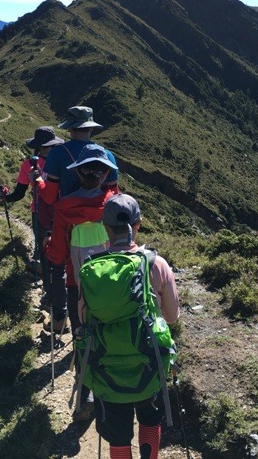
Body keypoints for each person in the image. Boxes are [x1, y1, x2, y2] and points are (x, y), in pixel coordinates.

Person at [80, 194, 180, 459]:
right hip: (149, 367)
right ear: (138, 224)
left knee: (118, 435)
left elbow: (82, 319)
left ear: (105, 227)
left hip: (106, 370)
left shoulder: (92, 270)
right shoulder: (156, 264)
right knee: (150, 420)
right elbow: (172, 317)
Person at [43, 143, 117, 421]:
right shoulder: (114, 203)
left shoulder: (64, 208)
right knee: (108, 336)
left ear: (78, 174)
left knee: (83, 337)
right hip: (113, 285)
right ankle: (110, 391)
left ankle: (86, 393)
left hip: (78, 286)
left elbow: (58, 255)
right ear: (104, 174)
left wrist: (49, 245)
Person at [0, 126, 64, 302]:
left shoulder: (29, 164)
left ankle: (49, 294)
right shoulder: (62, 161)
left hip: (40, 213)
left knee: (43, 251)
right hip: (62, 213)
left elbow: (19, 194)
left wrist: (6, 197)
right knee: (62, 251)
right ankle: (61, 292)